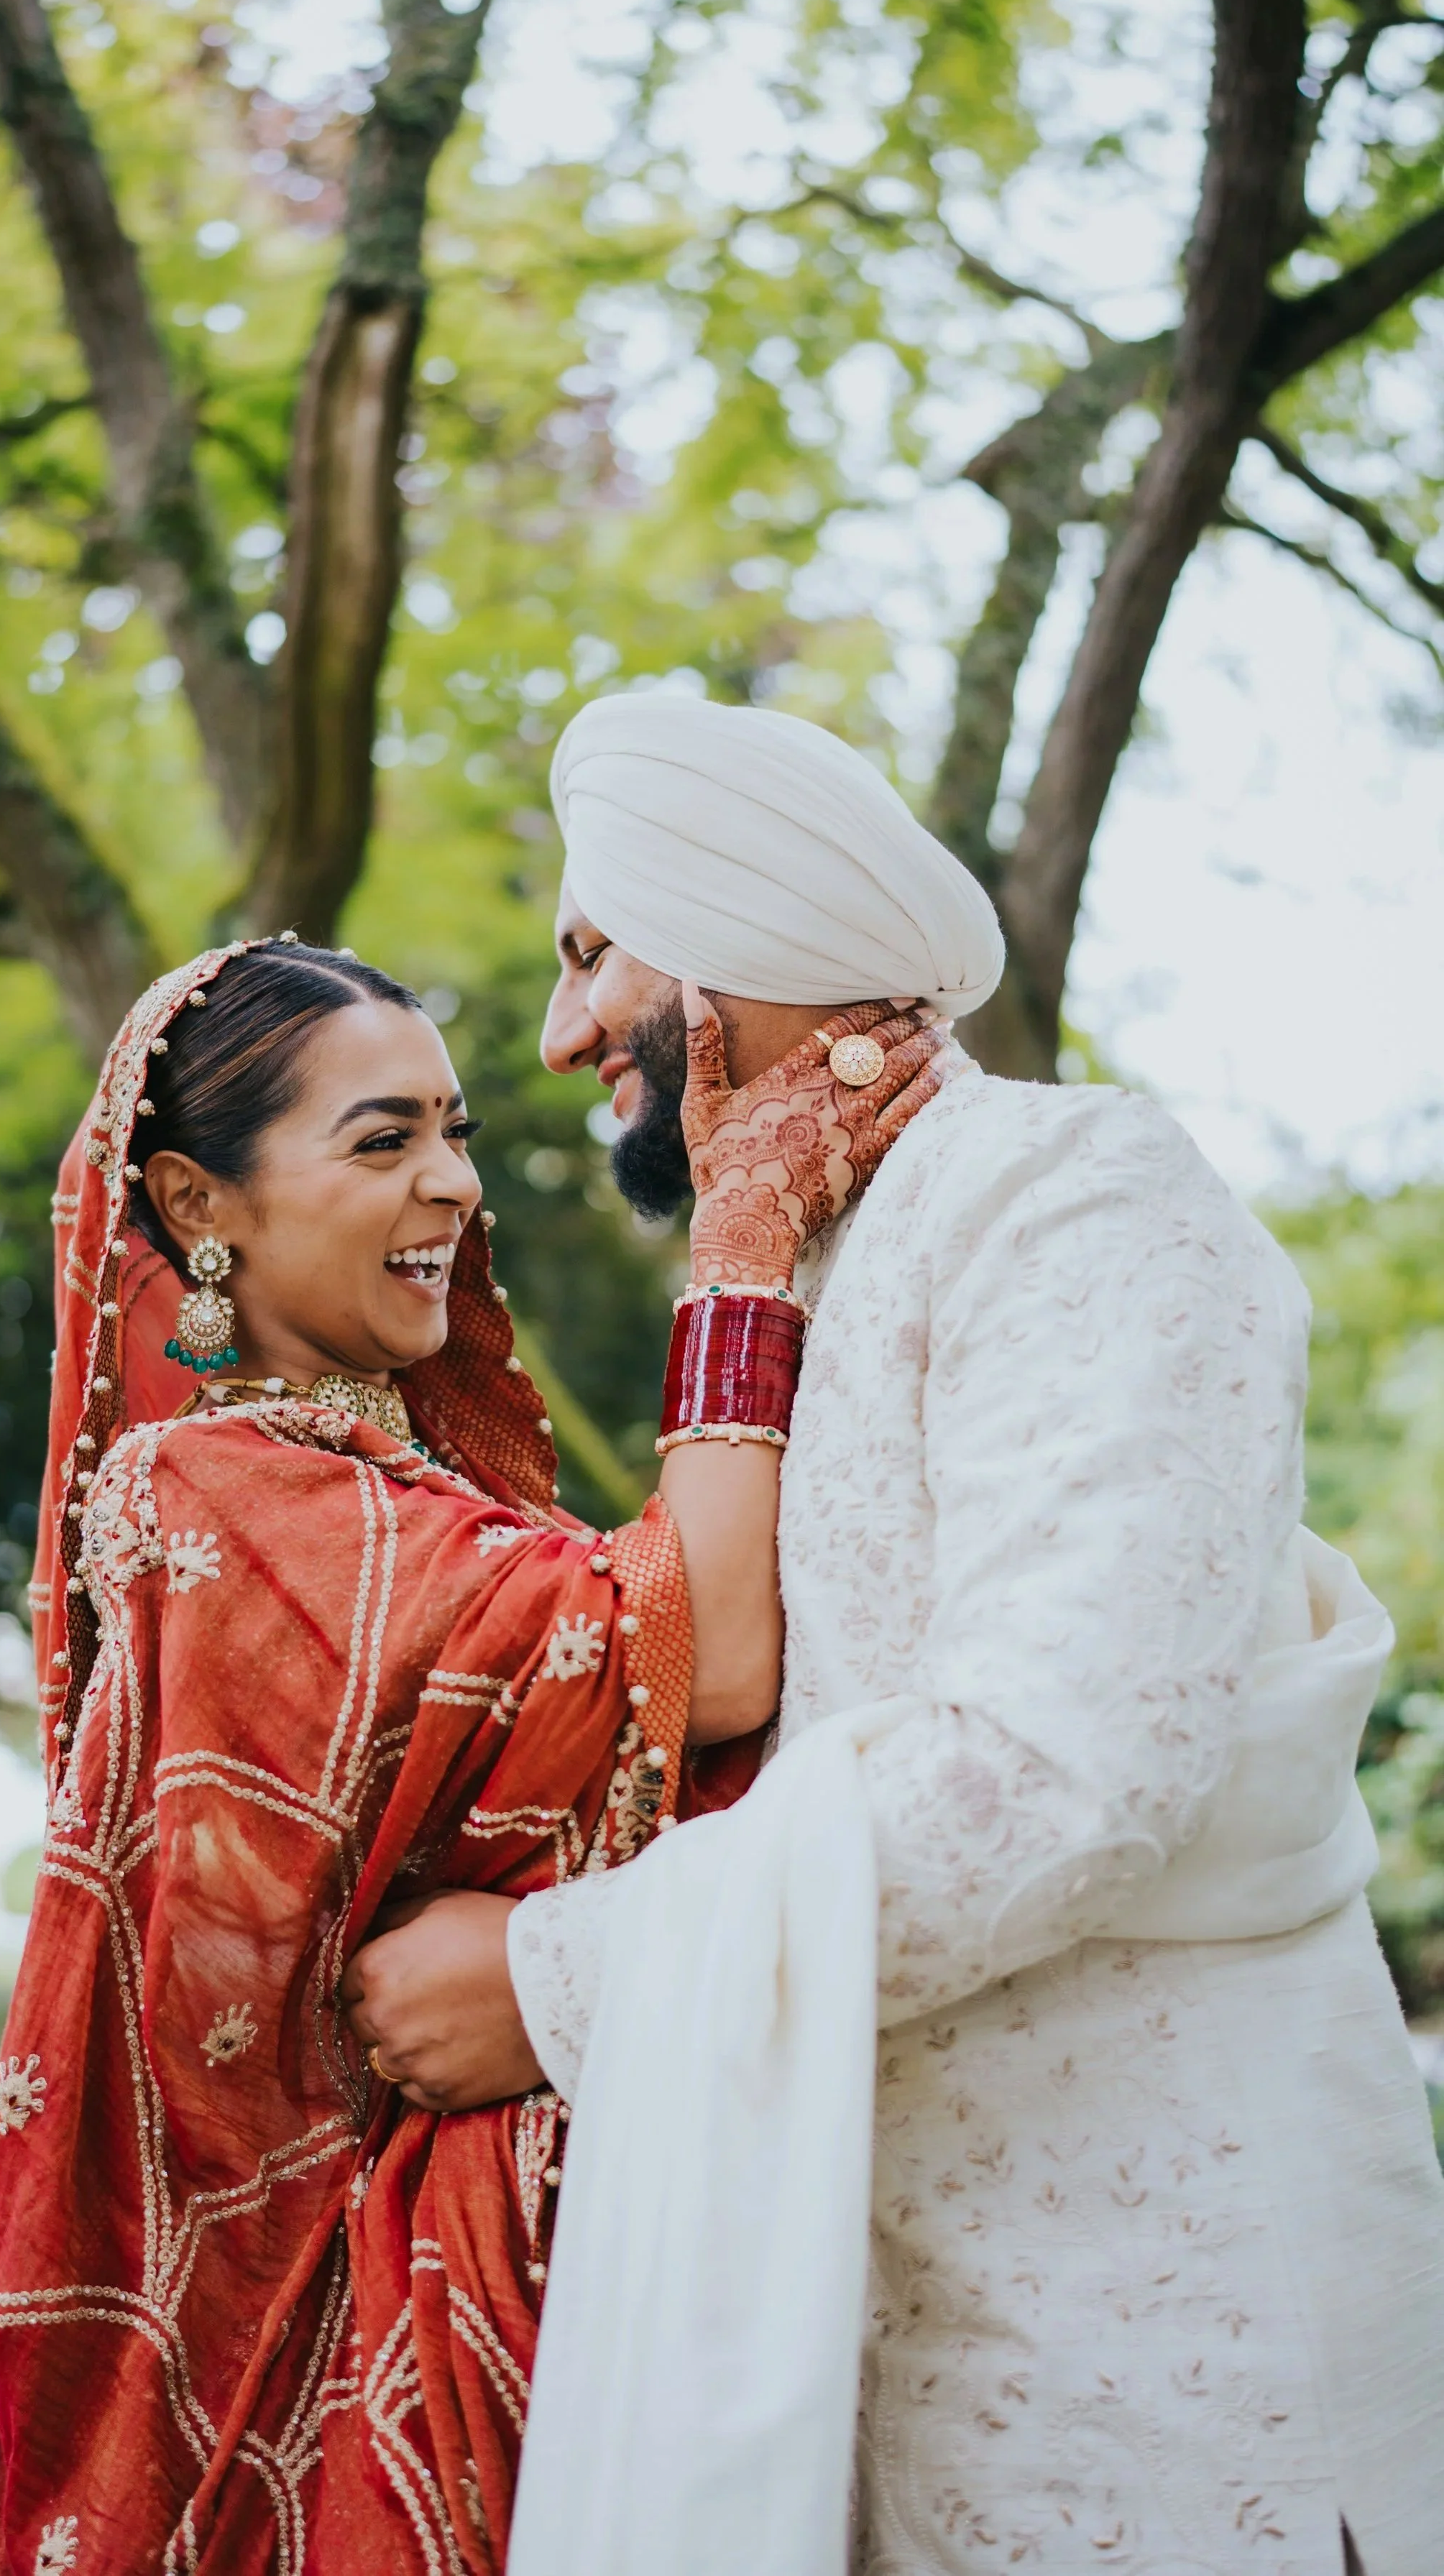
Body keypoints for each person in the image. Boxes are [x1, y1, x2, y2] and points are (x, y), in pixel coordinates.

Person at [345, 694, 1444, 2576]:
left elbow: (1055, 1770)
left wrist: (552, 1983)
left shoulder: (1078, 1194)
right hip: (868, 2365)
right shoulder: (780, 1265)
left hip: (1174, 2372)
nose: (556, 1031)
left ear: (747, 926)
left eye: (593, 951)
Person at [0, 932, 947, 2576]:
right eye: (381, 1142)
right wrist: (744, 1242)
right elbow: (702, 1656)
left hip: (548, 2261)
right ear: (200, 1208)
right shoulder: (214, 1498)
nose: (453, 1189)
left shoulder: (403, 1498)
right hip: (357, 2350)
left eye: (456, 1131)